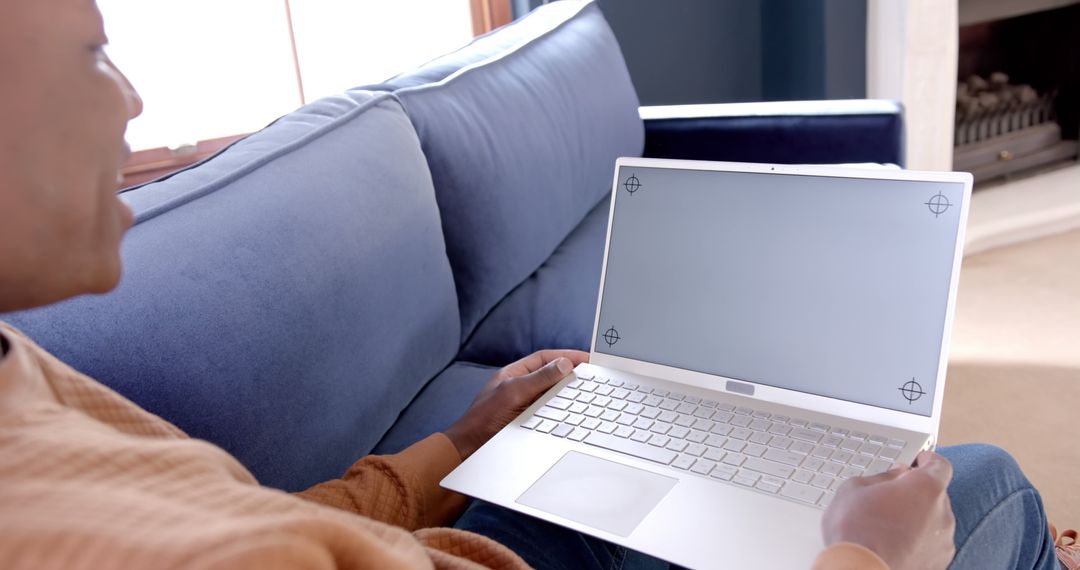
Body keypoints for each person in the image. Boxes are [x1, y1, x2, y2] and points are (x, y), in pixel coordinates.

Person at [0, 1, 1071, 568]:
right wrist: (862, 559)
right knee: (984, 482)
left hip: (453, 538)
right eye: (94, 52)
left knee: (731, 485)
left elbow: (262, 522)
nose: (133, 104)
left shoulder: (20, 376)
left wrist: (462, 443)